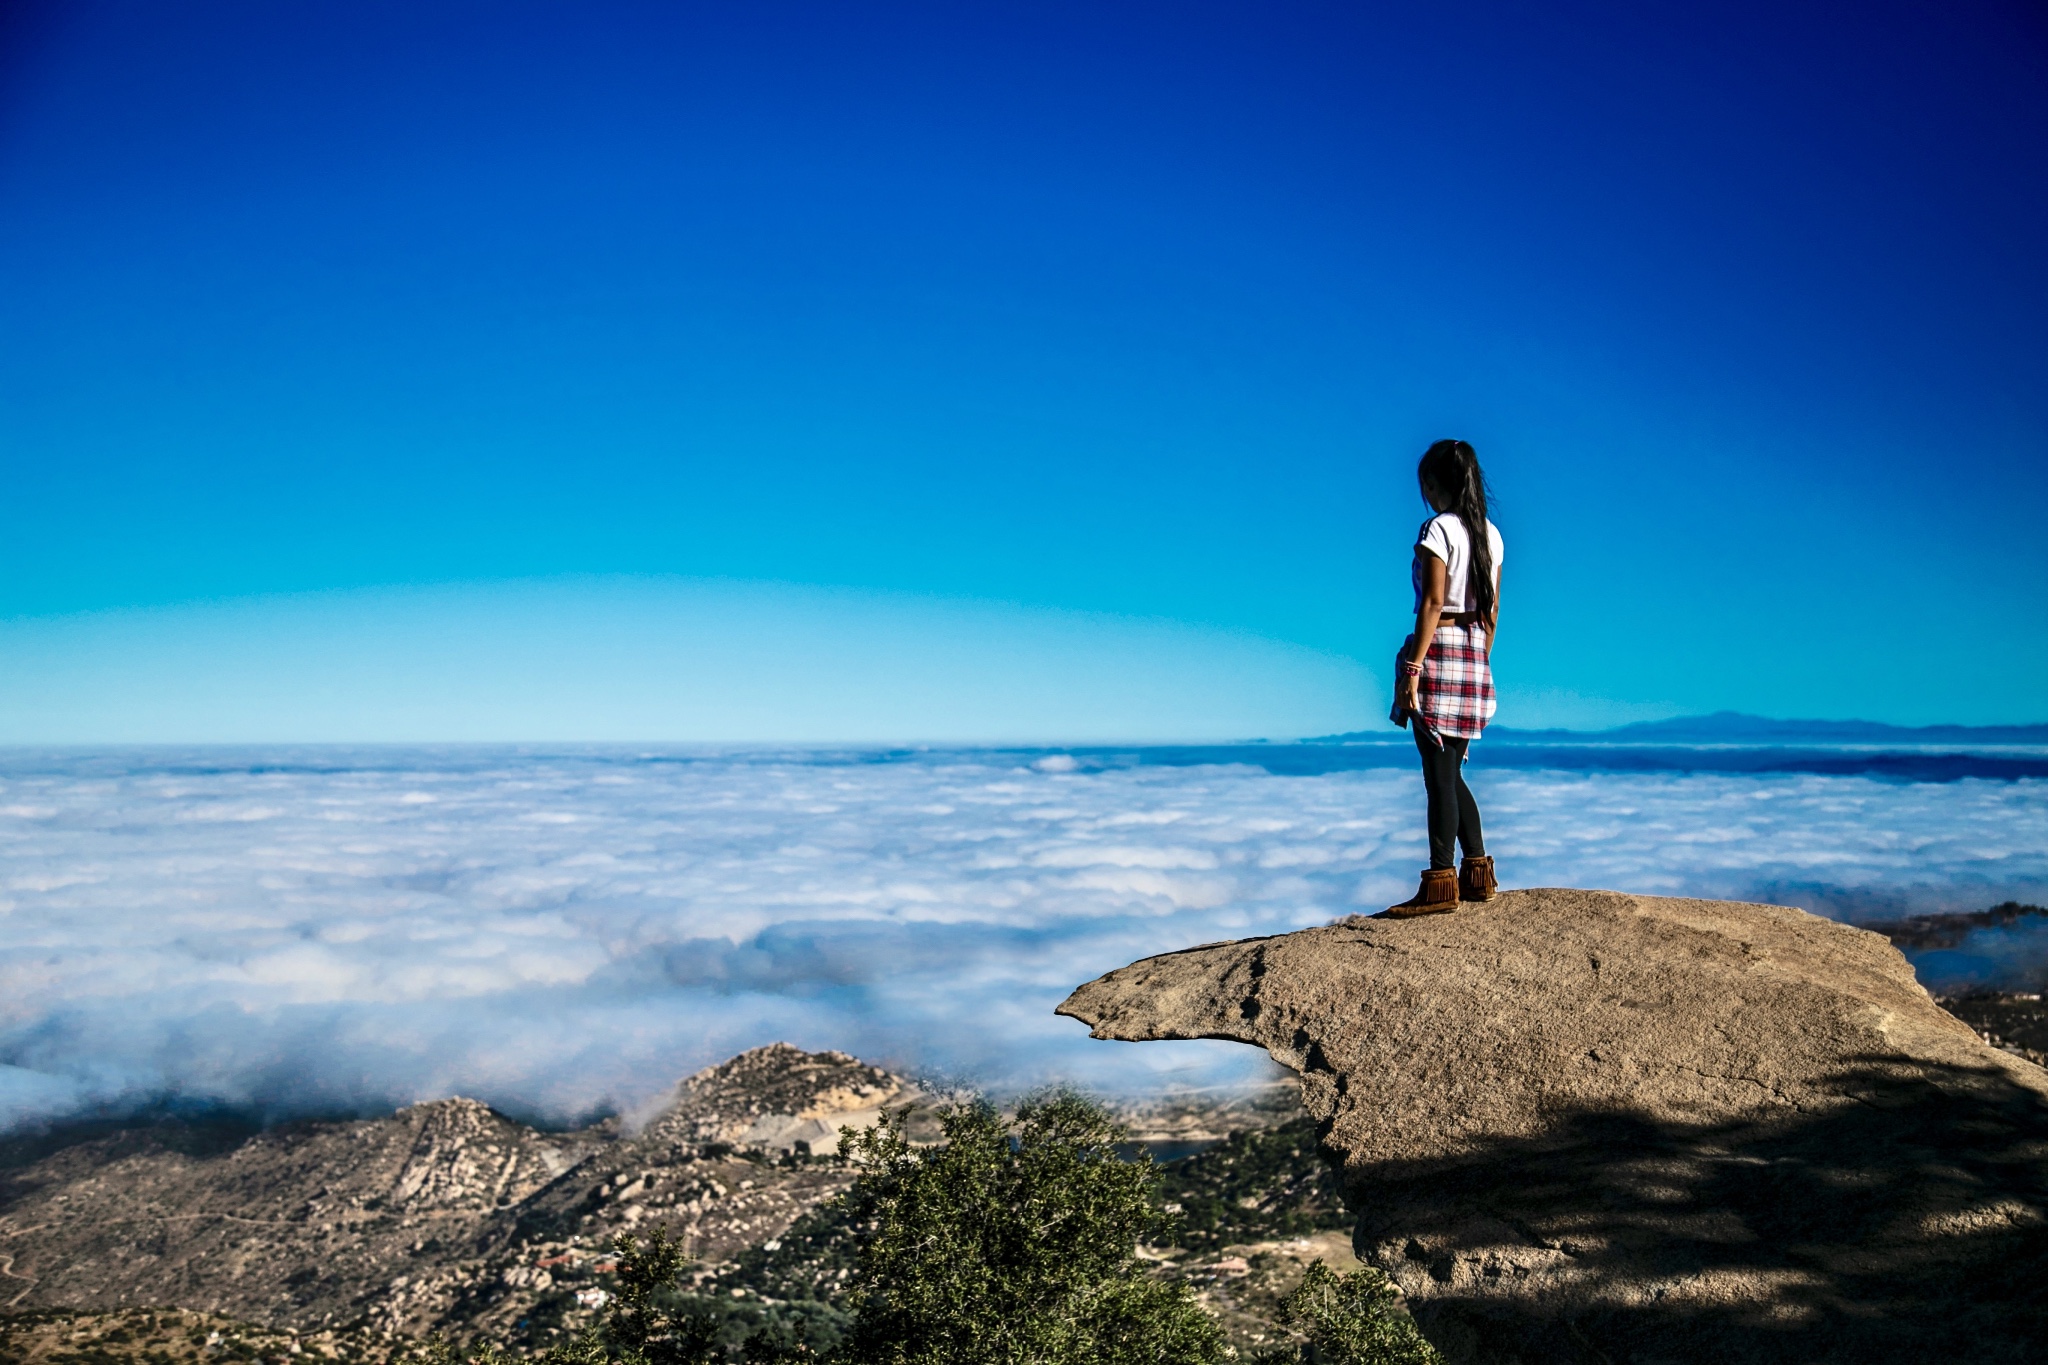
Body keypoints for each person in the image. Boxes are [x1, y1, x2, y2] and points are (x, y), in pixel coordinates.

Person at [1386, 439, 1502, 916]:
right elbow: (1492, 610)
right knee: (1450, 771)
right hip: (1474, 650)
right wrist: (1482, 661)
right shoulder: (1491, 535)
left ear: (1436, 484)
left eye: (1426, 484)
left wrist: (1413, 667)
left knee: (1438, 776)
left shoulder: (1438, 529)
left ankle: (1440, 884)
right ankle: (1478, 874)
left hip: (1438, 648)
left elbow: (1432, 603)